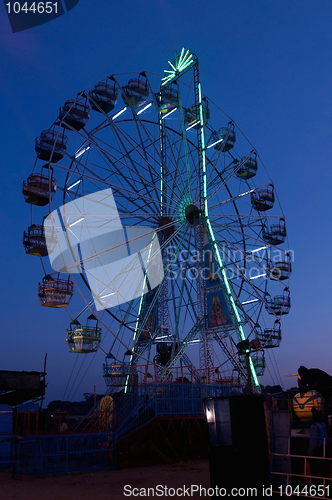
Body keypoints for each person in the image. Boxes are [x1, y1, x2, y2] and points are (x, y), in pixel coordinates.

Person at [308, 408, 328, 486]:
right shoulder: (323, 425)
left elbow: (313, 442)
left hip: (316, 452)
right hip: (323, 449)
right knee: (322, 472)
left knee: (315, 473)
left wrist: (309, 454)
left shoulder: (314, 426)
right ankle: (323, 490)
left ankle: (316, 491)